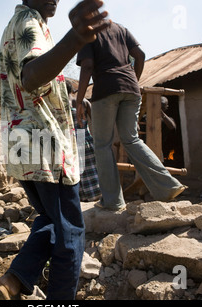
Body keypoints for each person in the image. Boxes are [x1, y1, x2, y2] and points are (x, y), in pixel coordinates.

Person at [0, 0, 109, 300]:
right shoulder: (30, 22)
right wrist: (76, 39)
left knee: (51, 220)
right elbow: (31, 77)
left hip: (21, 145)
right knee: (71, 231)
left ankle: (13, 281)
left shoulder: (12, 28)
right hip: (45, 144)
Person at [76, 20, 186, 212]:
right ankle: (167, 186)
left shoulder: (87, 32)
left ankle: (112, 201)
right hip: (131, 89)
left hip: (105, 90)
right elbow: (140, 55)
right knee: (131, 140)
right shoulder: (119, 28)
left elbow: (87, 66)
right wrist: (134, 81)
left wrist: (79, 101)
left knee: (102, 145)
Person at [66, 81, 101, 202]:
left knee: (77, 173)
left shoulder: (60, 106)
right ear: (72, 90)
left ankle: (81, 199)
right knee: (91, 170)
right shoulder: (84, 102)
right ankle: (96, 196)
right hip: (85, 139)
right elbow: (96, 122)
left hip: (69, 143)